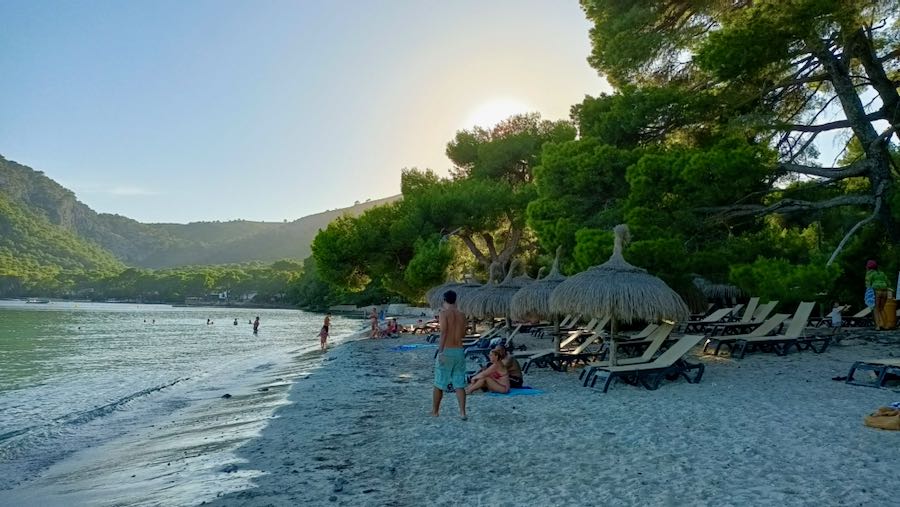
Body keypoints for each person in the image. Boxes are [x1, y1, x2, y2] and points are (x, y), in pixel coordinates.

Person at [432, 290, 467, 420]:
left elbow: (444, 333)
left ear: (444, 300)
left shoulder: (443, 314)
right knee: (459, 383)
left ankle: (435, 411)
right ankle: (462, 412)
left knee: (439, 382)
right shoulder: (462, 315)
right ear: (455, 300)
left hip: (447, 350)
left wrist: (440, 351)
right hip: (459, 350)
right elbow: (463, 334)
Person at [865, 260, 890, 330]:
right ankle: (886, 325)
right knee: (882, 309)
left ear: (868, 267)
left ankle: (878, 326)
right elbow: (888, 283)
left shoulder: (869, 273)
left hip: (876, 291)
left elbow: (867, 284)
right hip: (885, 291)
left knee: (875, 309)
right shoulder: (882, 273)